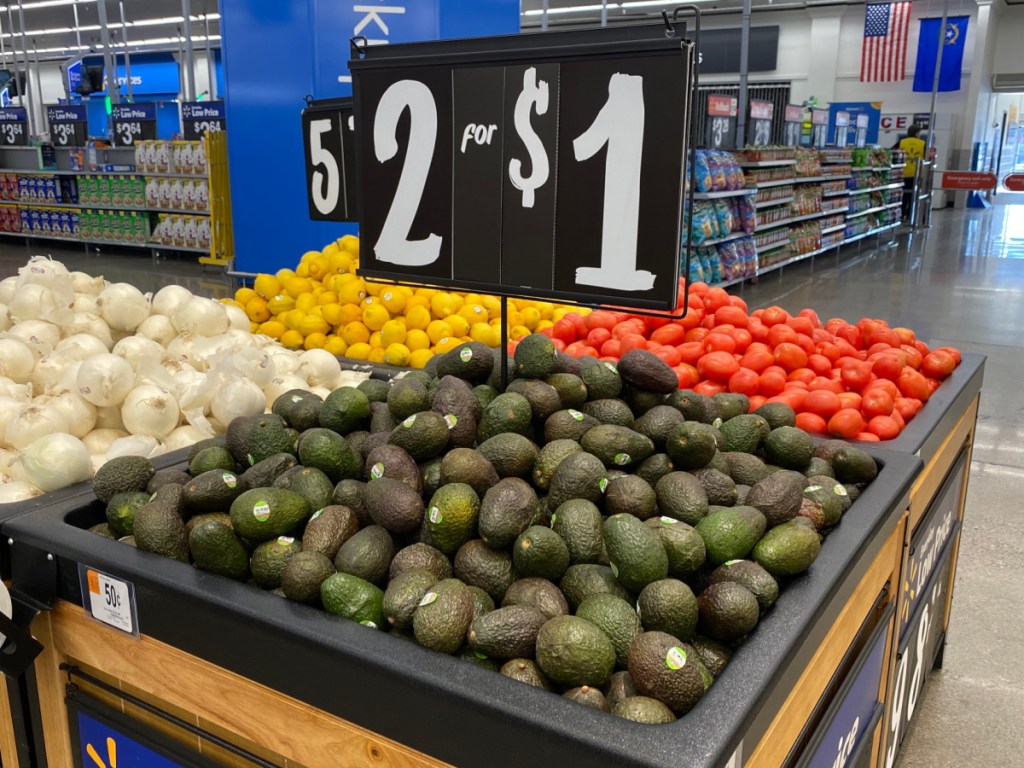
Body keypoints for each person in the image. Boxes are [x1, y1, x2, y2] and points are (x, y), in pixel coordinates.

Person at [899, 125, 926, 220]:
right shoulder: (922, 143)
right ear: (916, 133)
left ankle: (901, 214)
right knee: (913, 195)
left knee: (903, 194)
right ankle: (910, 216)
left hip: (903, 172)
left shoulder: (902, 142)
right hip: (916, 173)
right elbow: (927, 158)